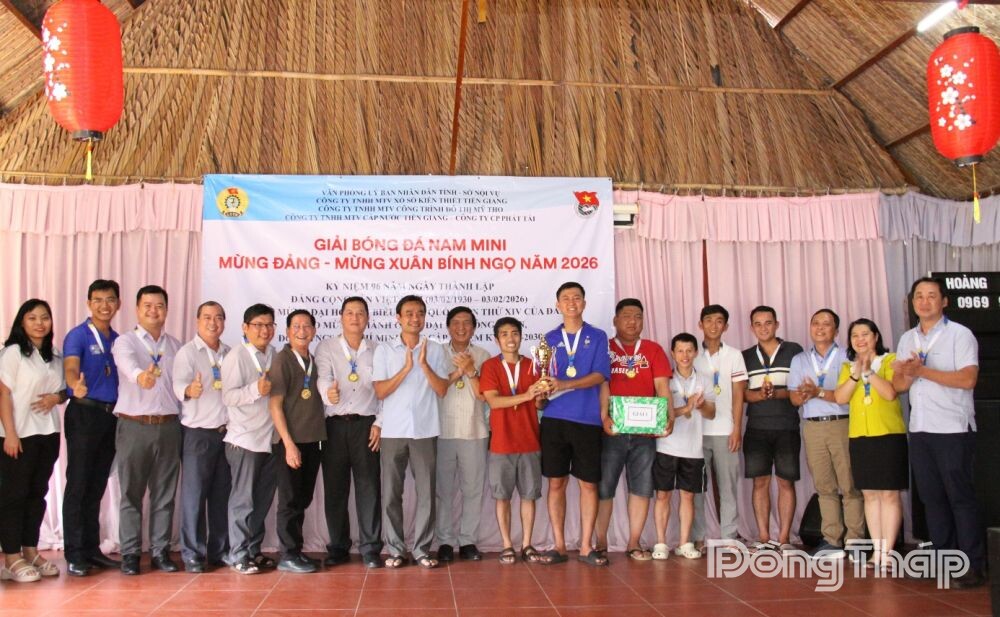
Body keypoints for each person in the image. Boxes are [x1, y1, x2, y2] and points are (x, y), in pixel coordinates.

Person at [893, 277, 985, 589]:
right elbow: (899, 385)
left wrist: (922, 371)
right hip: (920, 428)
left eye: (931, 295)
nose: (924, 301)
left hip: (953, 428)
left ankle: (973, 564)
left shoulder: (960, 334)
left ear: (944, 301)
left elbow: (968, 379)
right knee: (932, 499)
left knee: (960, 497)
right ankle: (945, 560)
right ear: (912, 303)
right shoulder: (907, 338)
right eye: (918, 296)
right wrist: (907, 374)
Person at [373, 295, 449, 569]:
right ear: (398, 318)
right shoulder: (384, 350)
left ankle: (422, 549)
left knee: (427, 493)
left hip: (425, 430)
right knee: (391, 493)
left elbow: (442, 389)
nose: (415, 318)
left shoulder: (435, 349)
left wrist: (424, 365)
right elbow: (380, 391)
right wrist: (406, 368)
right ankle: (395, 549)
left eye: (420, 313)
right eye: (409, 313)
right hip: (393, 431)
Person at [538, 282, 611, 566]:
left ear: (584, 303)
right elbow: (544, 379)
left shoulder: (598, 336)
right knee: (556, 483)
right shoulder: (548, 339)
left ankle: (585, 546)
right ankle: (558, 545)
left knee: (589, 485)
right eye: (565, 298)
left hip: (587, 420)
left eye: (577, 298)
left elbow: (600, 375)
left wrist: (565, 384)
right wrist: (542, 395)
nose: (571, 302)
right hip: (554, 419)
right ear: (557, 305)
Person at [111, 285, 182, 575]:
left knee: (164, 494)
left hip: (169, 427)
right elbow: (128, 366)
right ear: (137, 309)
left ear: (167, 310)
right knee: (131, 493)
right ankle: (130, 554)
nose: (154, 311)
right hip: (134, 426)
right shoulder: (125, 342)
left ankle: (160, 551)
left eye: (160, 306)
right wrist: (141, 376)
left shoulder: (175, 346)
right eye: (148, 306)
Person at [595, 298, 671, 561]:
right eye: (626, 316)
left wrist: (668, 416)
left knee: (641, 487)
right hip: (611, 431)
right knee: (604, 487)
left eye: (638, 316)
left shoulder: (653, 350)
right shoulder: (604, 348)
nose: (632, 321)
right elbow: (601, 384)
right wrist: (604, 417)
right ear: (615, 320)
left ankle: (634, 542)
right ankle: (600, 542)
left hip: (645, 433)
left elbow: (662, 387)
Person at [789, 309, 863, 560]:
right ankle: (832, 540)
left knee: (850, 485)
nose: (820, 328)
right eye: (815, 323)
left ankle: (855, 541)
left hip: (843, 423)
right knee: (824, 486)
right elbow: (794, 398)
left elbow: (850, 395)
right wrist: (803, 394)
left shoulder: (848, 357)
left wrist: (817, 391)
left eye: (826, 324)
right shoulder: (800, 359)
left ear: (836, 330)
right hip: (812, 426)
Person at [0, 300, 65, 582]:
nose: (40, 323)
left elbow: (65, 390)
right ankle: (11, 557)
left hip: (48, 433)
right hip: (18, 435)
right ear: (22, 322)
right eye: (32, 317)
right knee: (14, 496)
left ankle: (30, 550)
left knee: (37, 495)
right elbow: (3, 394)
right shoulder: (13, 353)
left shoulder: (54, 354)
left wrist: (57, 397)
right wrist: (10, 433)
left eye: (45, 317)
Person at [315, 296, 383, 569]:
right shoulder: (327, 347)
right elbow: (322, 377)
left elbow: (384, 391)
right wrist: (327, 393)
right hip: (334, 426)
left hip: (367, 426)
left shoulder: (378, 350)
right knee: (335, 489)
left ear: (367, 318)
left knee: (369, 488)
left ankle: (370, 548)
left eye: (360, 313)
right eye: (350, 313)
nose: (355, 318)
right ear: (341, 317)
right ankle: (338, 547)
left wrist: (380, 423)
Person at [61, 279, 122, 576]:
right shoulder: (78, 335)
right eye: (98, 300)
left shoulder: (118, 340)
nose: (104, 305)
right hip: (84, 413)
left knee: (96, 485)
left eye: (110, 300)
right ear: (89, 303)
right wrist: (75, 384)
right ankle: (74, 553)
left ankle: (91, 550)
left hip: (110, 417)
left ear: (118, 304)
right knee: (78, 484)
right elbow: (71, 366)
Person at [834, 318, 906, 570]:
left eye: (865, 334)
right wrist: (856, 373)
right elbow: (841, 398)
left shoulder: (890, 360)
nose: (860, 339)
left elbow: (890, 393)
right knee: (870, 495)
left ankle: (888, 551)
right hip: (859, 437)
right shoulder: (847, 367)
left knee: (889, 494)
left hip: (888, 435)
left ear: (876, 337)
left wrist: (869, 372)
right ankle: (877, 550)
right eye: (855, 335)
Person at [479, 317, 550, 564]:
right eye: (505, 334)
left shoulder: (533, 365)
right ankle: (507, 545)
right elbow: (494, 401)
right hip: (501, 443)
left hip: (530, 440)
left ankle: (527, 544)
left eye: (515, 333)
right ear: (496, 339)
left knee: (529, 496)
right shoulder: (490, 367)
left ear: (521, 336)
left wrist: (541, 397)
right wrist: (527, 395)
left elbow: (539, 404)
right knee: (503, 497)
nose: (511, 338)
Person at [171, 301, 231, 572]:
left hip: (225, 434)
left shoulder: (229, 353)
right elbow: (178, 383)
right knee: (194, 496)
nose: (213, 323)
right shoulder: (187, 353)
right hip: (197, 434)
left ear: (224, 322)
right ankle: (193, 553)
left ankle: (219, 551)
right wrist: (189, 390)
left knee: (221, 496)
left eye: (218, 318)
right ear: (197, 321)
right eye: (207, 317)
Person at [222, 303, 279, 575]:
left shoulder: (274, 354)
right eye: (258, 325)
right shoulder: (237, 356)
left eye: (268, 325)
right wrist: (256, 389)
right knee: (242, 500)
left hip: (269, 439)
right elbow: (228, 396)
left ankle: (253, 550)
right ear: (245, 328)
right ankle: (237, 554)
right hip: (244, 440)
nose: (264, 330)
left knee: (261, 500)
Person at [269, 309, 326, 573]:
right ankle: (288, 555)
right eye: (296, 326)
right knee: (290, 500)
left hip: (312, 441)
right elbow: (275, 405)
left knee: (302, 499)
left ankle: (296, 551)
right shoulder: (283, 360)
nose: (302, 331)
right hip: (290, 443)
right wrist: (288, 444)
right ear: (287, 331)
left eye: (307, 326)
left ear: (314, 331)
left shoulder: (312, 360)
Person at [741, 306, 803, 552]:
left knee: (786, 482)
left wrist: (777, 393)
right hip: (756, 427)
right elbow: (742, 394)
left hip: (787, 426)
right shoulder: (745, 356)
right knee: (760, 482)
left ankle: (784, 538)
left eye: (768, 323)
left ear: (777, 324)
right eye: (758, 324)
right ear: (751, 328)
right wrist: (759, 395)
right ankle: (764, 537)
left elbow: (799, 389)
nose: (763, 328)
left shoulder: (794, 351)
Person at [652, 333, 715, 560]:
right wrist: (684, 409)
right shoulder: (665, 380)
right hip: (666, 446)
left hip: (693, 449)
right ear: (672, 353)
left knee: (688, 496)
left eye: (689, 350)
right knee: (663, 496)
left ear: (696, 352)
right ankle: (661, 543)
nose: (685, 355)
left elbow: (711, 413)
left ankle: (684, 543)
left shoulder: (704, 380)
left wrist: (701, 405)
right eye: (680, 351)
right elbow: (659, 414)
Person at [436, 306, 491, 562]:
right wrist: (457, 372)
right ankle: (445, 541)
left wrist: (471, 371)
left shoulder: (483, 356)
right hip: (441, 430)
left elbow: (484, 395)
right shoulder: (436, 353)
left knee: (473, 490)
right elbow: (434, 388)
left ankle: (468, 540)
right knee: (443, 491)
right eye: (456, 322)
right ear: (448, 327)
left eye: (467, 322)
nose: (461, 327)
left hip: (474, 429)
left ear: (474, 328)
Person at [691, 304, 747, 548]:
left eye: (719, 321)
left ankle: (729, 537)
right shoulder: (691, 353)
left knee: (728, 487)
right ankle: (698, 537)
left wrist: (736, 429)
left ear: (726, 326)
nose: (713, 325)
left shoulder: (734, 355)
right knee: (696, 488)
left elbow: (738, 395)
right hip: (695, 433)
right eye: (709, 320)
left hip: (725, 431)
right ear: (700, 324)